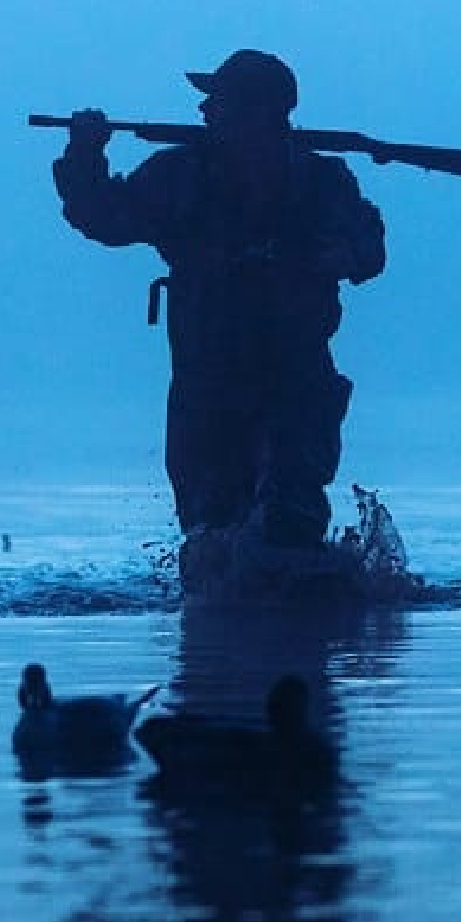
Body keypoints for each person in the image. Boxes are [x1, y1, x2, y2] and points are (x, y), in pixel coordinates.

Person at [51, 49, 386, 552]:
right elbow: (102, 216)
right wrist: (85, 155)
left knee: (291, 515)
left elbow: (369, 250)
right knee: (211, 527)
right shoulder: (179, 176)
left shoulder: (321, 183)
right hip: (208, 381)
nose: (205, 112)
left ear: (261, 112)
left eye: (219, 101)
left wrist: (335, 255)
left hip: (294, 377)